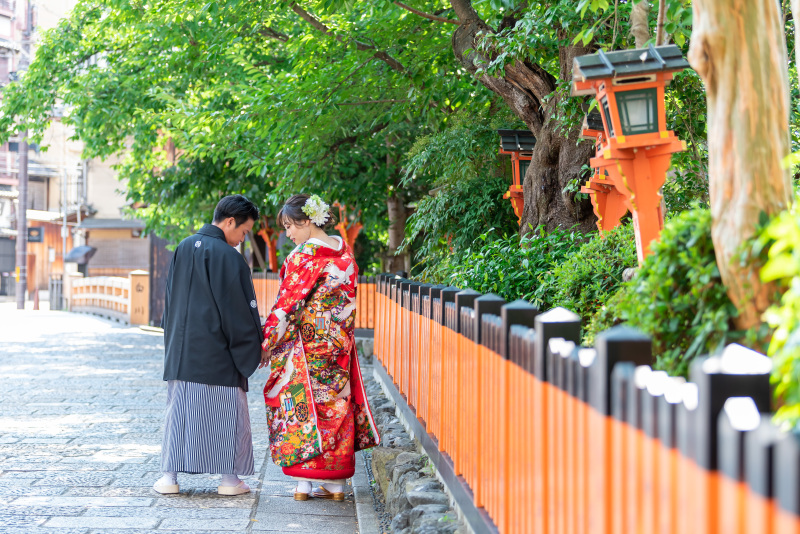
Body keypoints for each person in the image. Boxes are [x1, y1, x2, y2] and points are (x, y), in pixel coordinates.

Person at [261, 193, 379, 501]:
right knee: (337, 405)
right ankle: (336, 484)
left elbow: (287, 306)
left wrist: (267, 341)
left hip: (308, 346)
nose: (288, 234)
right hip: (339, 345)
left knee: (303, 405)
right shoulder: (346, 254)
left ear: (307, 221)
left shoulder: (303, 257)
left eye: (290, 226)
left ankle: (304, 483)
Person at [153, 194, 264, 496]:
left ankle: (169, 478)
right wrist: (254, 344)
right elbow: (237, 312)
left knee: (178, 416)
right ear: (230, 222)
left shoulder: (183, 247)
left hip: (181, 352)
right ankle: (229, 480)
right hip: (218, 357)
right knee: (226, 416)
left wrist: (173, 343)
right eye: (243, 231)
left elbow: (170, 301)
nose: (242, 239)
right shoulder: (229, 258)